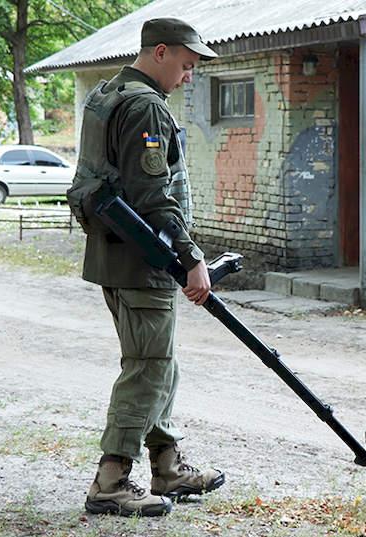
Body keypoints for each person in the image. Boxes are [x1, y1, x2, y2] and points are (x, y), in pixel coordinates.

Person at [70, 18, 223, 517]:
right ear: (160, 52)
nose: (187, 76)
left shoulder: (107, 93)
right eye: (185, 65)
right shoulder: (145, 106)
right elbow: (153, 195)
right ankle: (111, 481)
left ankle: (167, 465)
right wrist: (191, 256)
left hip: (114, 255)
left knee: (157, 363)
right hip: (143, 259)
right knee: (147, 367)